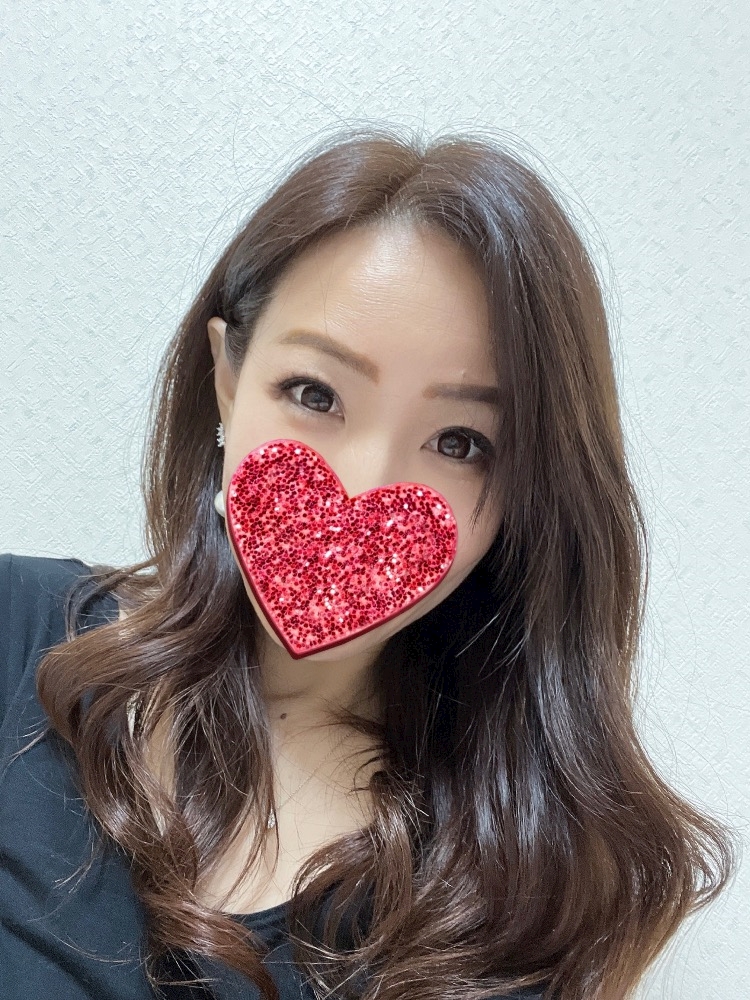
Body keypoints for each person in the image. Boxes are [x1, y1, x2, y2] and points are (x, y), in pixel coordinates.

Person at [0, 127, 737, 1000]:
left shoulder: (529, 891)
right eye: (315, 393)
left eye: (459, 442)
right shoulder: (18, 627)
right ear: (228, 379)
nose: (364, 487)